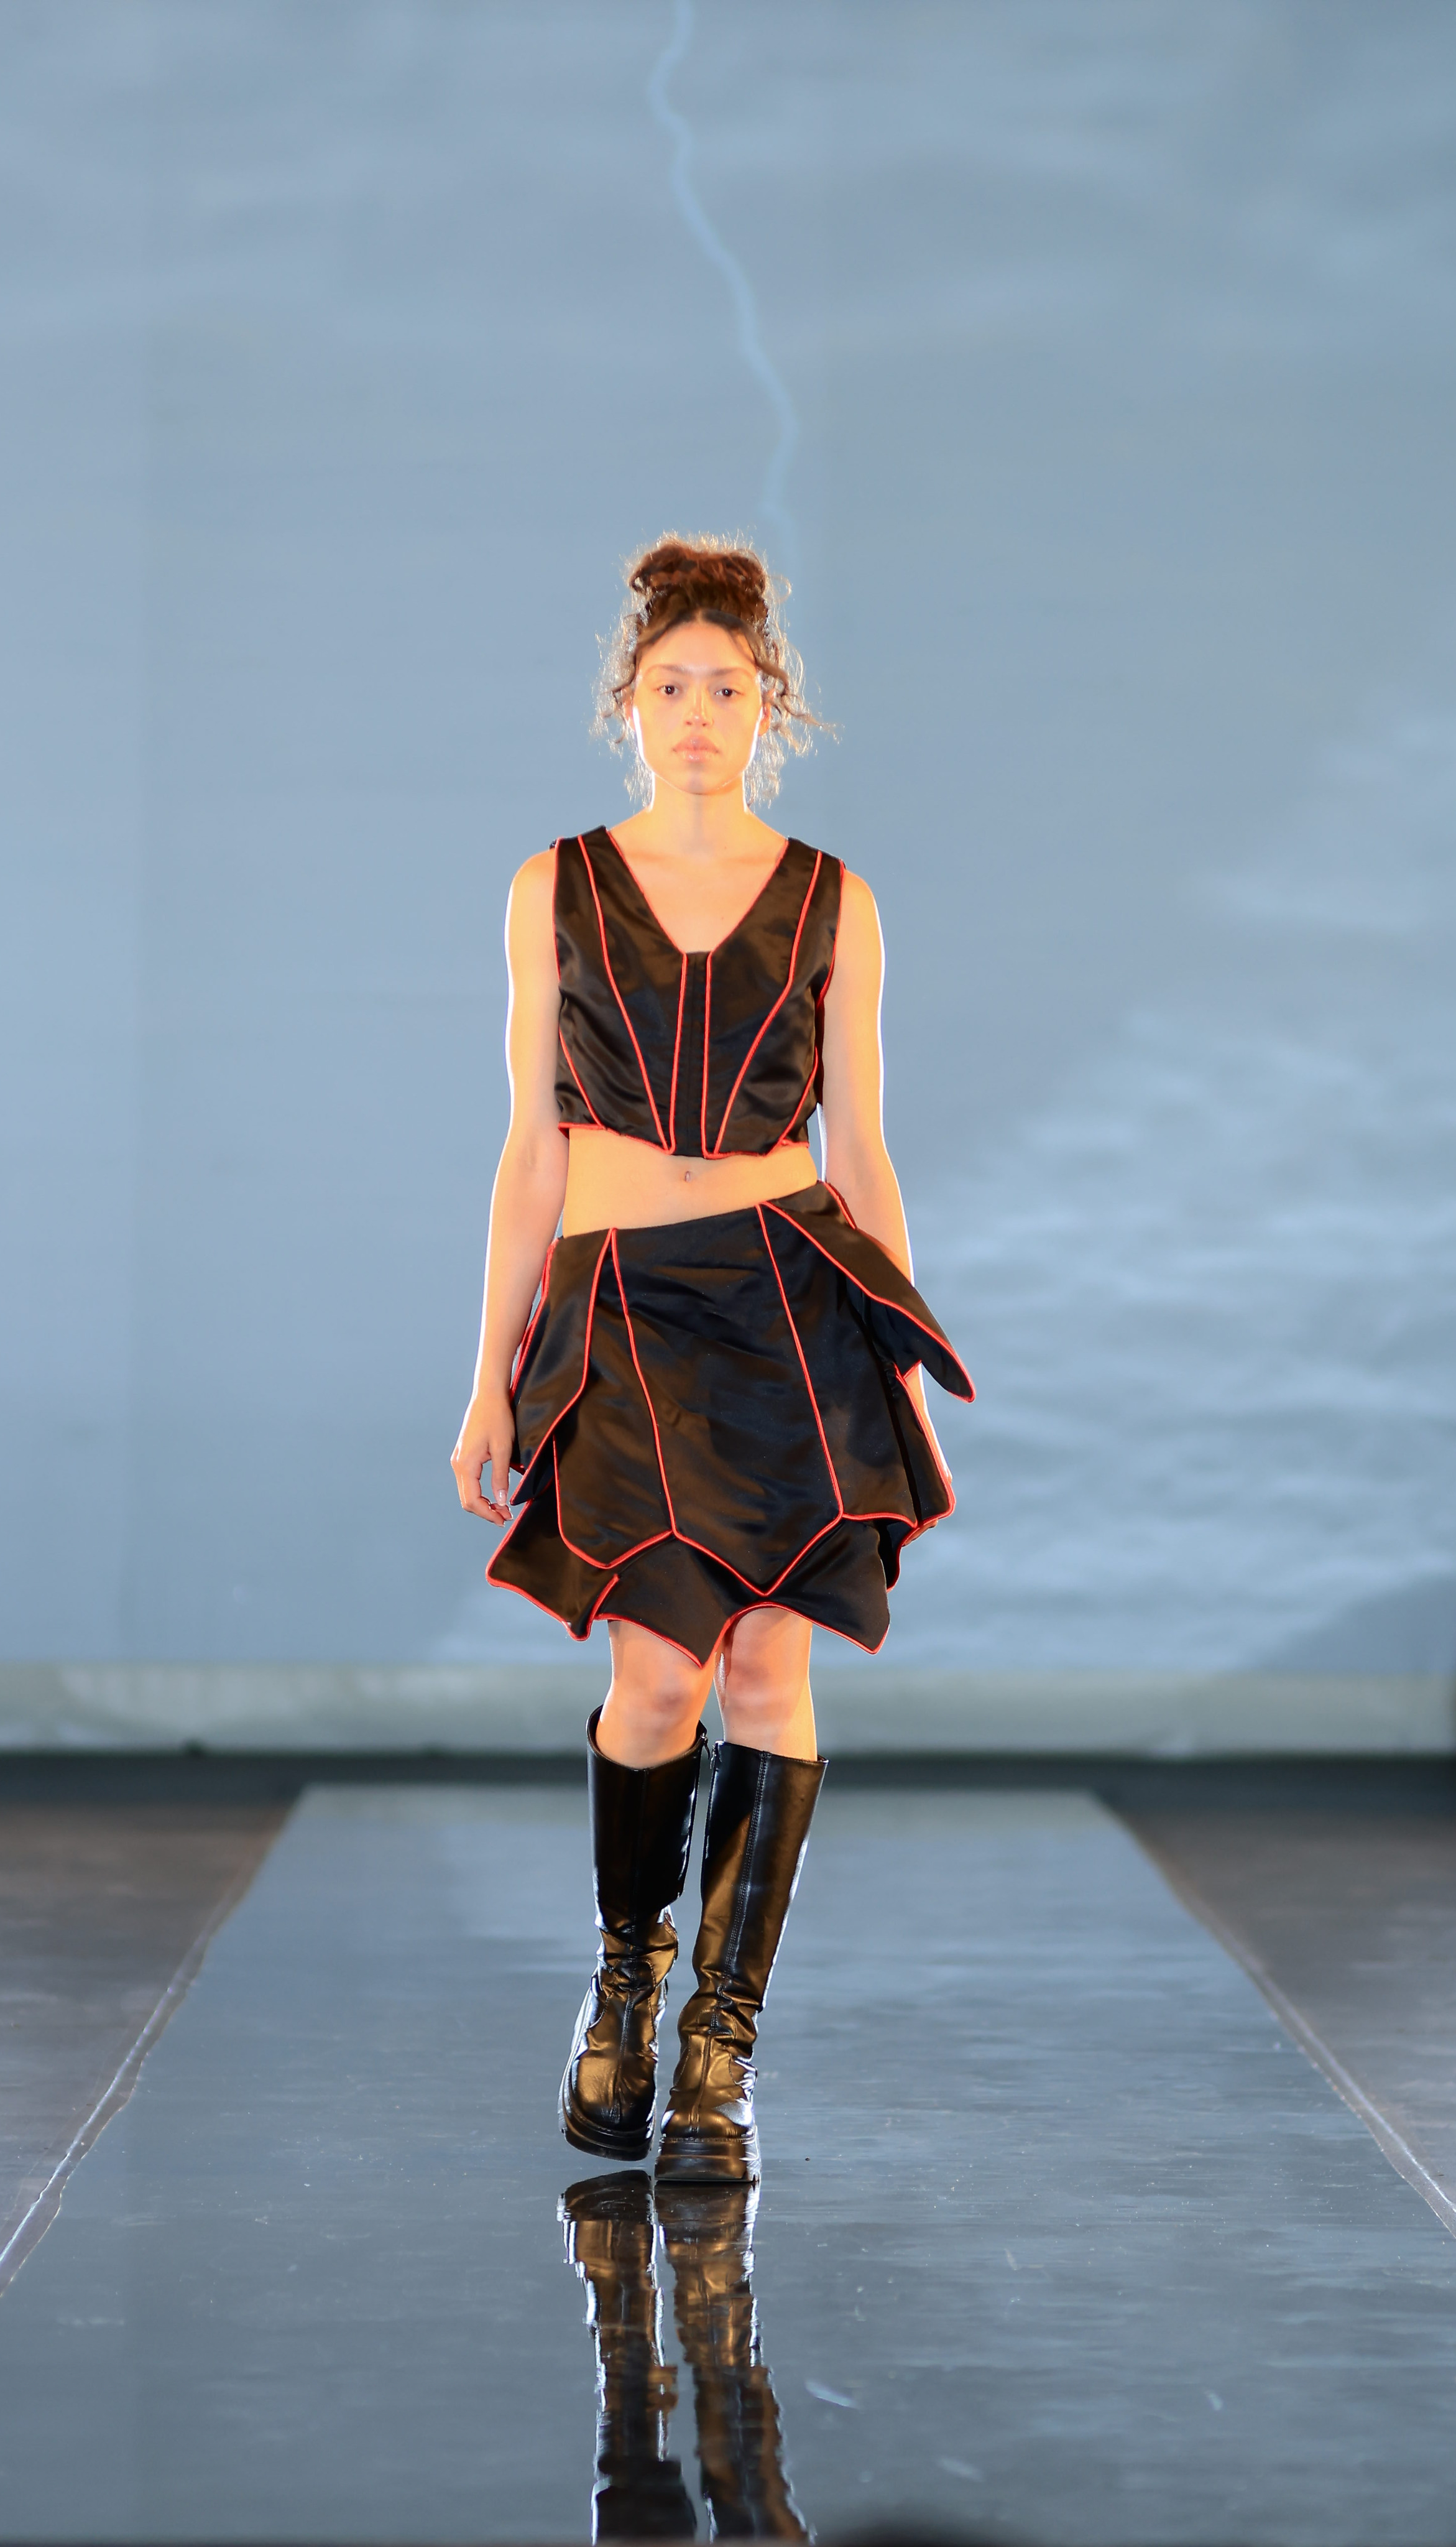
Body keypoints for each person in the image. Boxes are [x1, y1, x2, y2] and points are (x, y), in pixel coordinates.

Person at [451, 536, 972, 2185]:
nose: (696, 713)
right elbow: (528, 1151)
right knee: (655, 1669)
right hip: (617, 1303)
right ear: (627, 705)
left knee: (768, 1667)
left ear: (771, 709)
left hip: (789, 1297)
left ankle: (717, 2058)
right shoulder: (555, 884)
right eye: (669, 687)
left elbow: (865, 1144)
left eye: (725, 689)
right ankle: (625, 1985)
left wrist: (896, 1335)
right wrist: (489, 1370)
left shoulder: (833, 899)